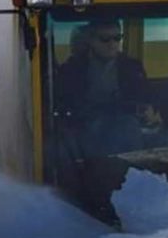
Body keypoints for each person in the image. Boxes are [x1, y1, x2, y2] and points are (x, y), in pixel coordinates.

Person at [54, 20, 155, 157]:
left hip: (126, 130)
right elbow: (65, 108)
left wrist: (147, 110)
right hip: (86, 131)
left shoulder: (132, 68)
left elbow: (146, 99)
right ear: (91, 40)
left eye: (117, 38)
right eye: (105, 39)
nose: (112, 44)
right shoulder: (72, 70)